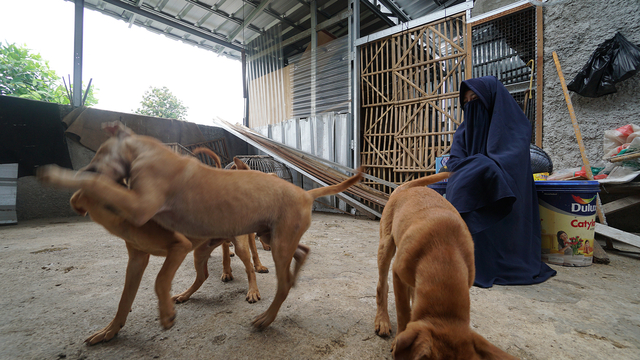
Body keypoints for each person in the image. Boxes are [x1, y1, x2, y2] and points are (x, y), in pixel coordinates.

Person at [445, 76, 557, 288]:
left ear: (491, 100)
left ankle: (491, 260)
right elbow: (455, 162)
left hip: (507, 191)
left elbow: (509, 164)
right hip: (473, 182)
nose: (471, 106)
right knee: (466, 176)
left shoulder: (515, 127)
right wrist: (475, 166)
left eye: (475, 99)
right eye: (466, 103)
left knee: (484, 172)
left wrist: (481, 165)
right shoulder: (465, 130)